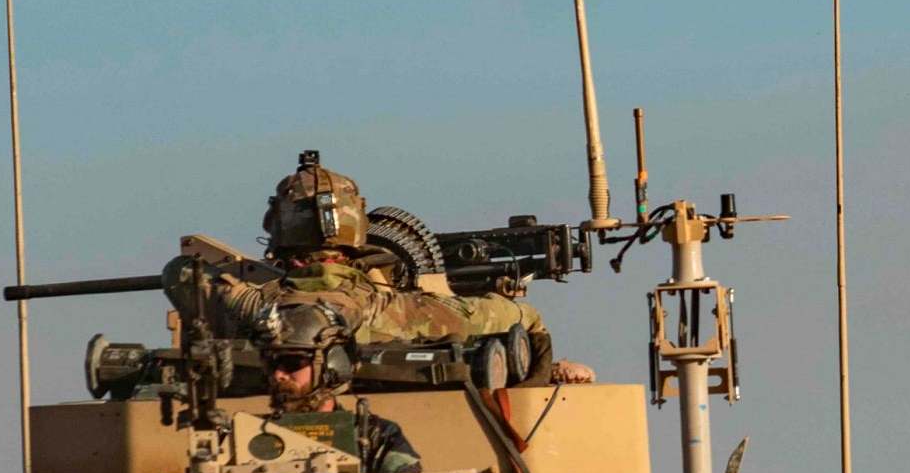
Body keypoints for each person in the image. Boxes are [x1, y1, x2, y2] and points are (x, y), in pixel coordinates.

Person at [168, 151, 595, 385]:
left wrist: (245, 287)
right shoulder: (403, 312)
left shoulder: (235, 304)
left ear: (275, 227)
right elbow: (523, 317)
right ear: (358, 229)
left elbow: (179, 273)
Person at [259, 305, 434, 473]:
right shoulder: (249, 438)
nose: (278, 375)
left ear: (332, 365)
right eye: (273, 364)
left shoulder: (373, 437)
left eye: (292, 363)